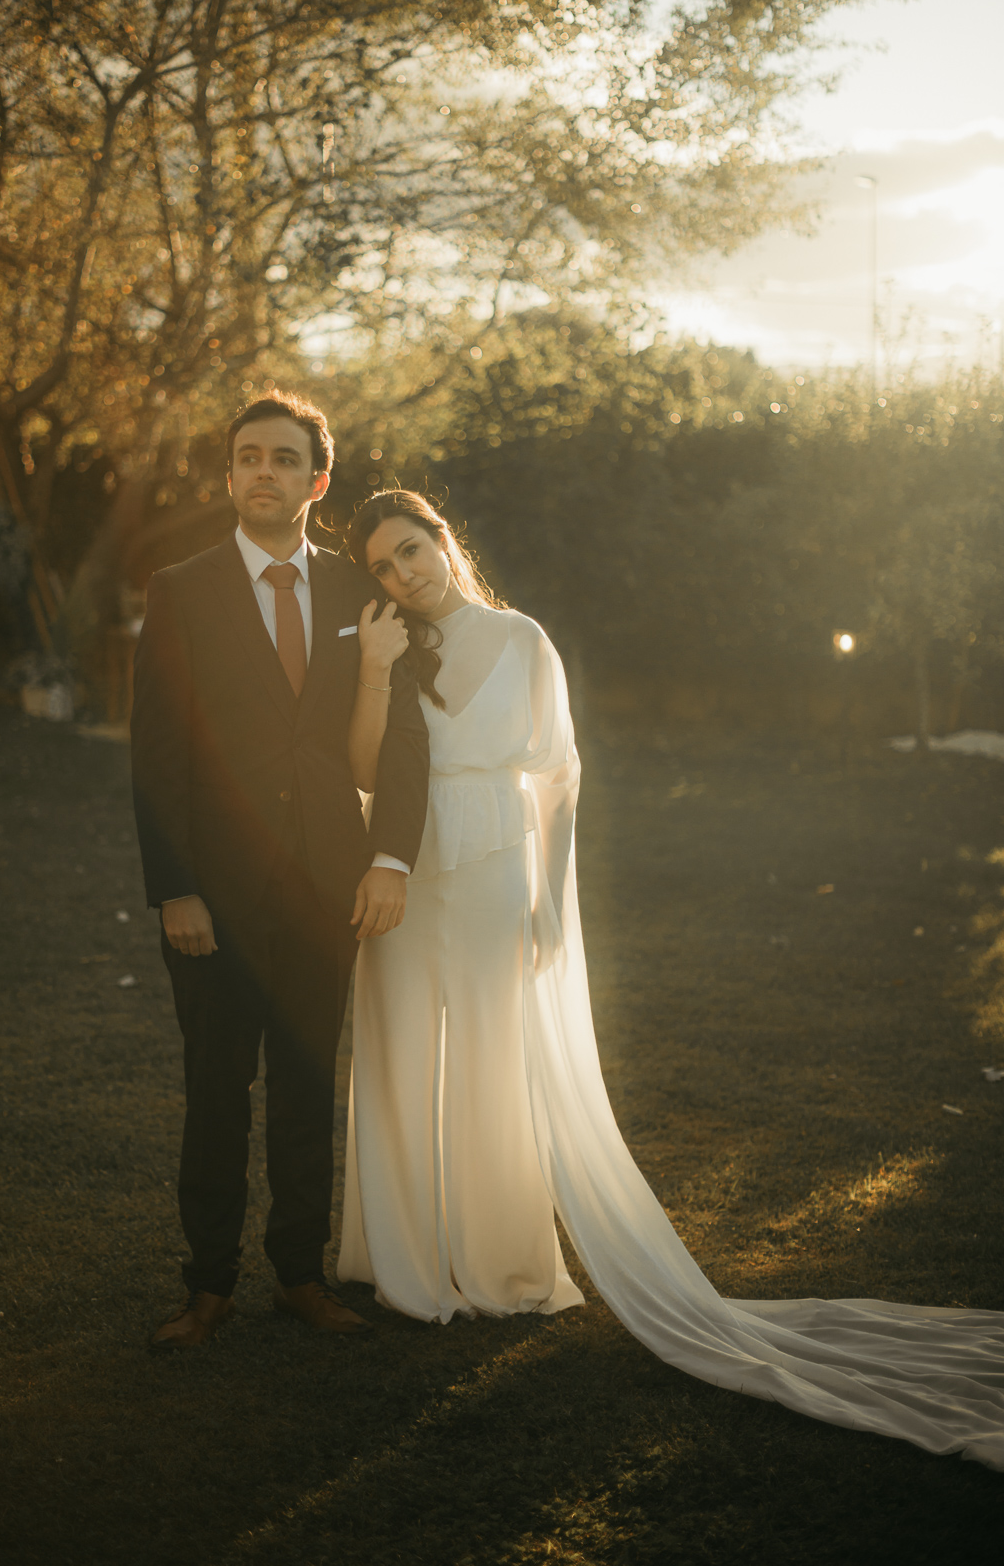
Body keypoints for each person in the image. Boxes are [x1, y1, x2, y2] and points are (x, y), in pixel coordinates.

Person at [337, 488, 1004, 1471]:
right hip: (399, 880)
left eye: (411, 551)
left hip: (488, 876)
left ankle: (497, 1266)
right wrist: (373, 669)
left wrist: (552, 898)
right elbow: (360, 769)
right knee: (395, 1062)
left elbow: (561, 774)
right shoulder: (391, 648)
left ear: (443, 540)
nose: (403, 576)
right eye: (383, 568)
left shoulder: (522, 640)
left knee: (488, 1065)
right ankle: (399, 1267)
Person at [131, 397, 429, 1349]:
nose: (264, 472)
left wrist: (390, 855)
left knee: (307, 1087)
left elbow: (405, 743)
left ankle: (300, 1275)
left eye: (284, 459)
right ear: (229, 476)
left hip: (323, 890)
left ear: (317, 481)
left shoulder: (357, 591)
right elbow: (157, 751)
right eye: (247, 457)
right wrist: (175, 886)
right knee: (216, 1095)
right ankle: (206, 1287)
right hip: (212, 897)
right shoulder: (181, 590)